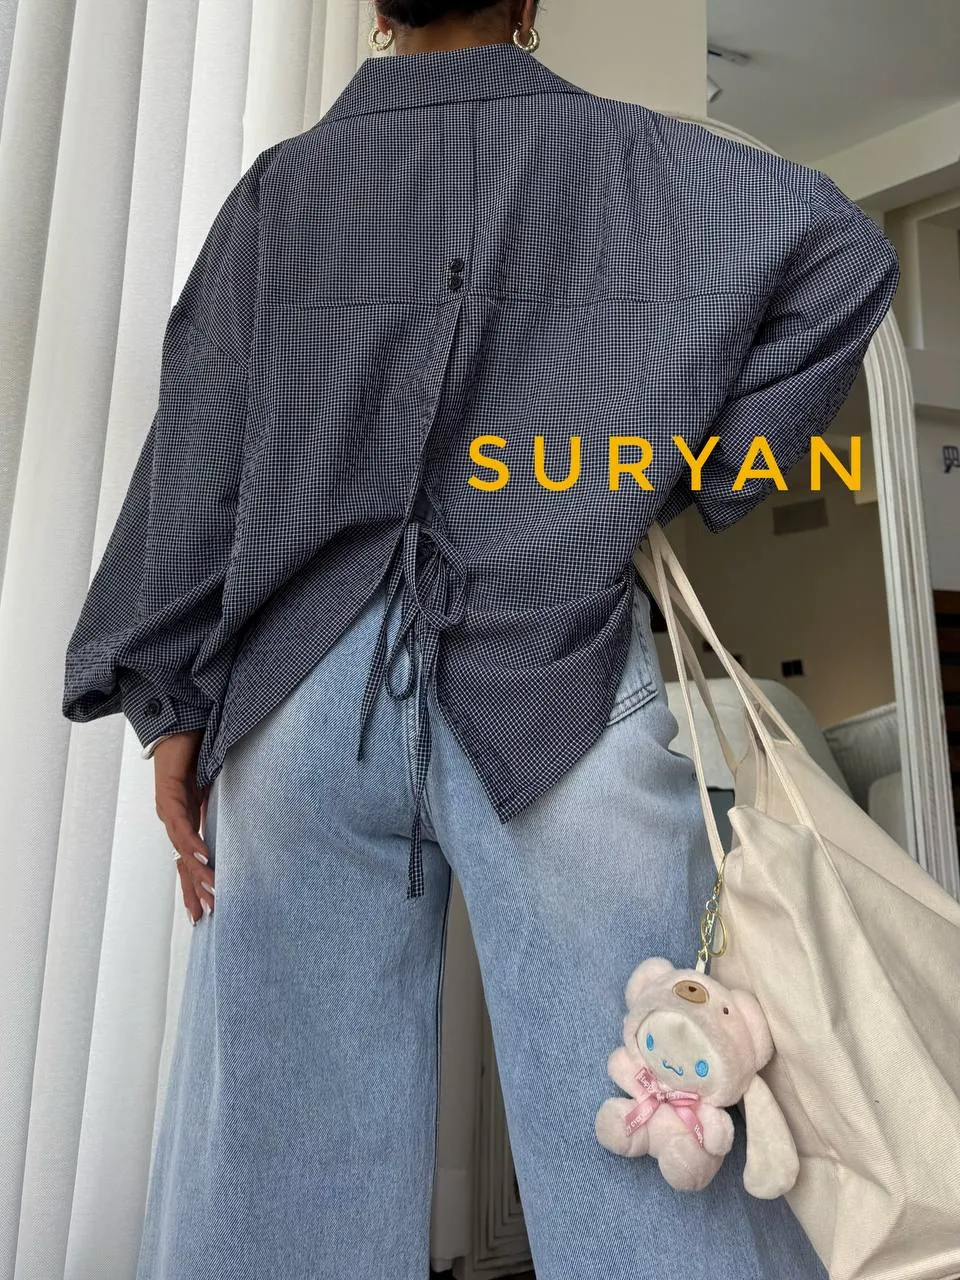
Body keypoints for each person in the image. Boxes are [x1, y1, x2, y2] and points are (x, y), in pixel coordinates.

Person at [61, 0, 900, 1275]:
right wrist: (694, 470)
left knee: (281, 1163)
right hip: (554, 678)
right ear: (528, 3)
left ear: (379, 9)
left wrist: (168, 702)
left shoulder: (284, 194)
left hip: (300, 701)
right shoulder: (651, 165)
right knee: (658, 1117)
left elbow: (201, 452)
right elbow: (844, 254)